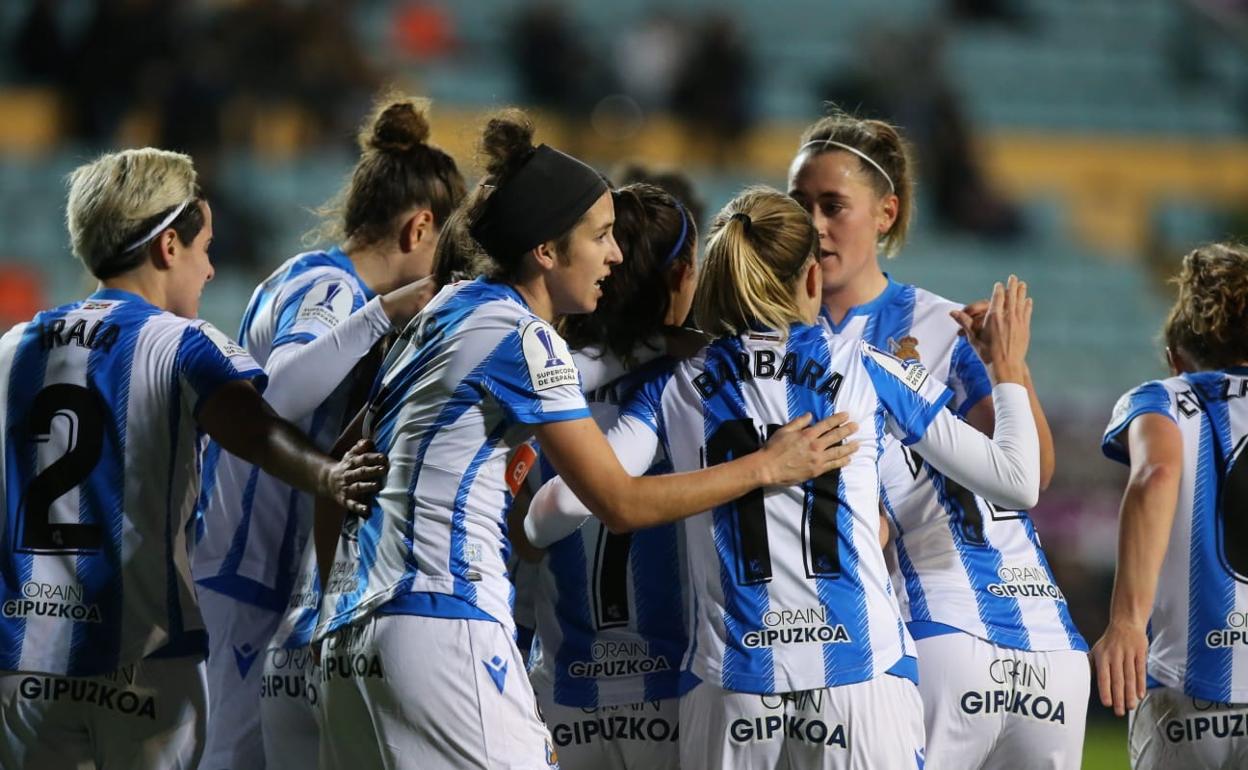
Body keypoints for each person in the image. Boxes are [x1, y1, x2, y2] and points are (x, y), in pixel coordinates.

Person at [310, 110, 856, 770]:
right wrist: (765, 466)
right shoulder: (524, 337)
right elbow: (618, 502)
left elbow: (340, 466)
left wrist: (330, 597)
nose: (616, 254)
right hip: (440, 623)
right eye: (600, 236)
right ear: (546, 250)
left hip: (350, 634)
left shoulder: (441, 312)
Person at [526, 186, 1044, 768]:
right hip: (860, 678)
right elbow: (1018, 481)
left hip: (732, 685)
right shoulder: (865, 367)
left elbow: (550, 512)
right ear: (812, 280)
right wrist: (1008, 367)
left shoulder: (675, 385)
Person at [0, 148, 384, 770]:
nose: (209, 270)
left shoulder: (12, 346)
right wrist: (328, 474)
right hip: (144, 658)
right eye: (205, 247)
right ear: (167, 246)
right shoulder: (183, 342)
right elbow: (256, 432)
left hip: (21, 663)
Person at [787, 110, 1087, 769]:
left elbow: (1030, 474)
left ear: (885, 213)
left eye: (834, 205)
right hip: (1040, 651)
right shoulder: (783, 334)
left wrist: (1014, 368)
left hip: (937, 627)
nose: (813, 224)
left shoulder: (944, 325)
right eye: (799, 204)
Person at [190, 94, 465, 770]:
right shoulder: (331, 286)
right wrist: (385, 313)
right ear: (419, 229)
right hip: (242, 572)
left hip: (259, 578)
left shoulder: (314, 284)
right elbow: (277, 393)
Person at [525, 182, 699, 769]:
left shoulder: (538, 386)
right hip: (673, 695)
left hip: (560, 694)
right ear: (681, 276)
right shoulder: (698, 387)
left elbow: (522, 539)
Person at [1094, 242, 1248, 770]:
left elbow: (1156, 472)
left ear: (1176, 358)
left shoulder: (1162, 398)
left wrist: (1126, 622)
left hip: (1184, 689)